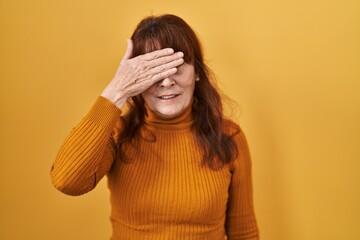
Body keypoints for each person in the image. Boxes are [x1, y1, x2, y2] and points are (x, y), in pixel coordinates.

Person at [51, 14, 259, 240]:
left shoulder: (229, 137)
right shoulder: (118, 133)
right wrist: (117, 90)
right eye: (153, 70)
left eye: (177, 66)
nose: (167, 81)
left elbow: (244, 233)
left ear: (197, 72)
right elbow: (66, 181)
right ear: (135, 79)